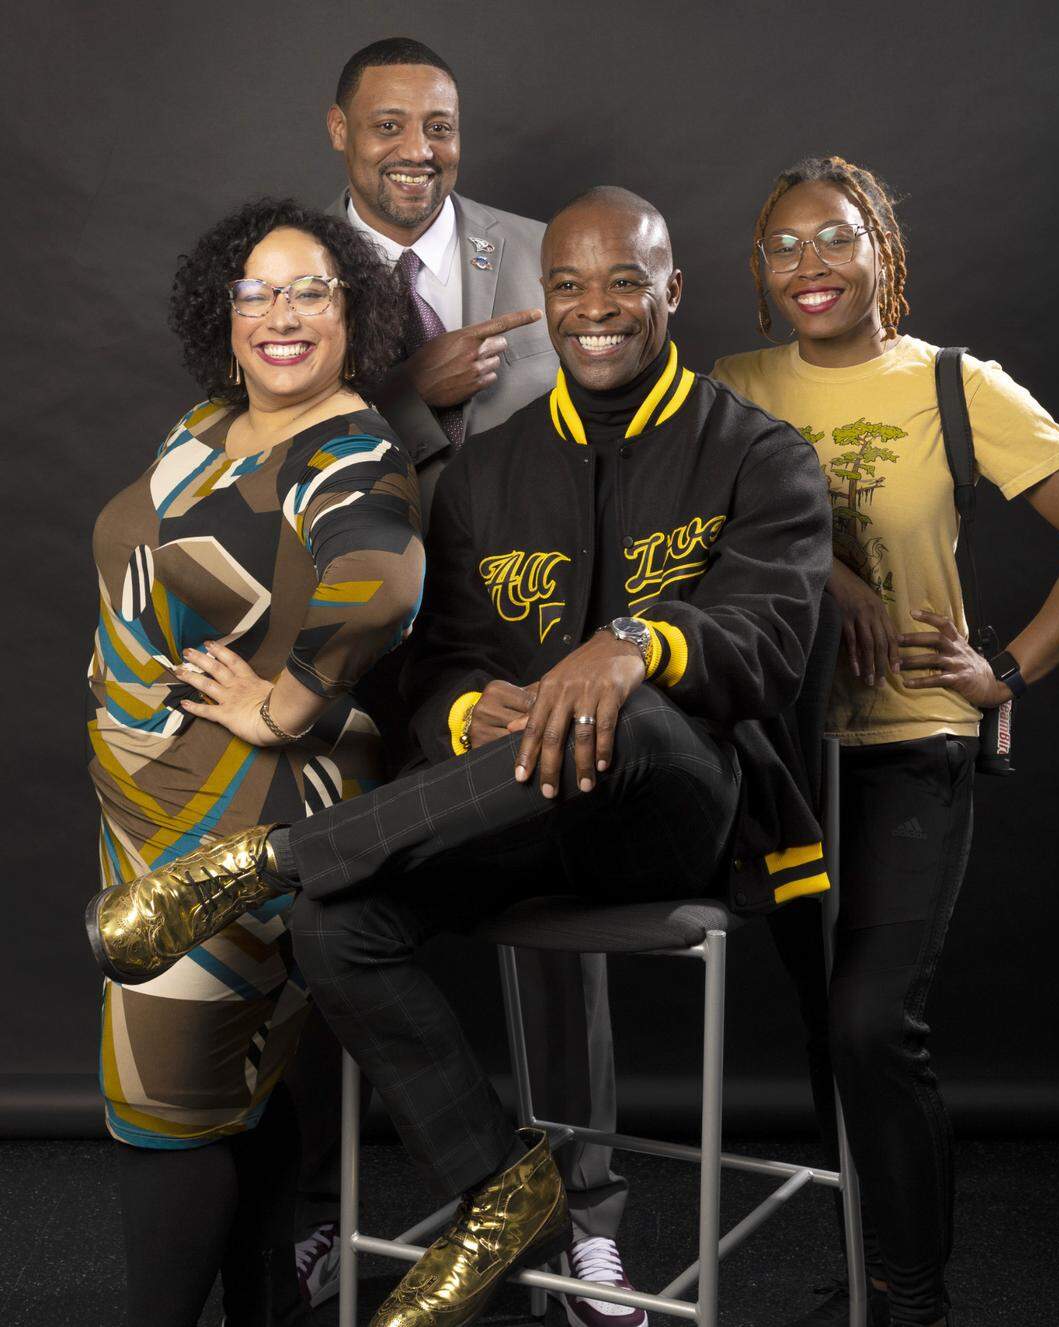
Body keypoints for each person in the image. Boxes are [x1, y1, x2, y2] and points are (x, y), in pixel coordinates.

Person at [87, 186, 835, 1327]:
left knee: (615, 707)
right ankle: (502, 1191)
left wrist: (631, 645)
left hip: (675, 818)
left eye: (625, 282)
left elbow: (773, 641)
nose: (595, 309)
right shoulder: (489, 472)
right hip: (510, 814)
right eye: (570, 286)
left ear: (672, 291)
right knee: (337, 920)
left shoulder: (758, 453)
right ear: (544, 299)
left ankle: (267, 856)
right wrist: (463, 708)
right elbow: (432, 665)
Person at [711, 154, 1059, 1327]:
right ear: (760, 269)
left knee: (869, 1021)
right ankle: (861, 1270)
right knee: (822, 1029)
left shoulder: (956, 384)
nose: (812, 265)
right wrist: (825, 565)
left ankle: (913, 1295)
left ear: (880, 253)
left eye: (836, 239)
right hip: (785, 756)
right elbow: (688, 532)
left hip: (913, 739)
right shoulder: (735, 384)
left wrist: (1007, 673)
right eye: (786, 246)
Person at [288, 38, 640, 1325]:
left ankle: (587, 1220)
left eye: (437, 125)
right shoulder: (293, 276)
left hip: (522, 660)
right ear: (339, 131)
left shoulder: (551, 250)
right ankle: (324, 1217)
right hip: (356, 663)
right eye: (388, 126)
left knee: (560, 947)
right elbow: (268, 458)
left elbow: (622, 426)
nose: (416, 150)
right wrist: (401, 396)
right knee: (327, 910)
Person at [85, 198, 423, 1327]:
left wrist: (288, 706)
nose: (281, 315)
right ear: (222, 314)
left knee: (166, 1106)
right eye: (256, 293)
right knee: (240, 1088)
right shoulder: (208, 427)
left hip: (239, 819)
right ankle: (268, 1309)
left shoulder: (348, 447)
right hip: (151, 809)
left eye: (311, 292)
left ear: (353, 313)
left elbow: (380, 577)